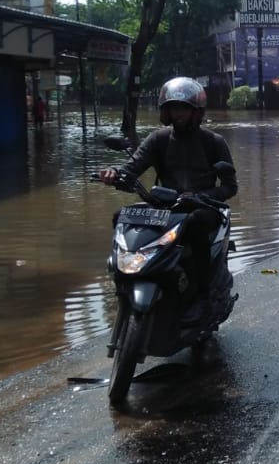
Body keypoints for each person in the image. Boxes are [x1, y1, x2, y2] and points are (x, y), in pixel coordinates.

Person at [97, 77, 239, 314]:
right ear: (166, 111)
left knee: (195, 224)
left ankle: (204, 293)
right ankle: (124, 280)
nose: (178, 114)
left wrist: (201, 195)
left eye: (184, 108)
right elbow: (133, 167)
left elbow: (230, 187)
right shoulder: (158, 139)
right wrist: (115, 174)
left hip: (202, 208)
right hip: (165, 206)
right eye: (174, 108)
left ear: (196, 112)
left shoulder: (214, 142)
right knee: (121, 216)